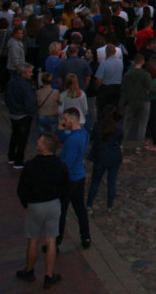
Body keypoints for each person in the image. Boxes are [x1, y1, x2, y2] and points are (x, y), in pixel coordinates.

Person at [16, 133, 69, 289]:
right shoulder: (60, 165)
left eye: (40, 140)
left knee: (33, 239)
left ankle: (30, 270)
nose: (37, 141)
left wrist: (25, 203)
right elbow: (65, 188)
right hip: (53, 204)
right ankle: (49, 275)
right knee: (51, 240)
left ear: (44, 146)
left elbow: (21, 189)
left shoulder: (31, 165)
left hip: (35, 205)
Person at [56, 107, 91, 251]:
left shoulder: (73, 140)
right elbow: (65, 137)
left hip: (69, 179)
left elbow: (66, 163)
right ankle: (86, 237)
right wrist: (60, 130)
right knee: (80, 209)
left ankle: (56, 242)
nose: (63, 122)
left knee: (61, 212)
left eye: (65, 119)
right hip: (79, 176)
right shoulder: (83, 134)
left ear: (72, 119)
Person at [86, 104, 123, 212]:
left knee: (95, 182)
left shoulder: (98, 126)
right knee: (111, 182)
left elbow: (93, 139)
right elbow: (119, 141)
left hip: (100, 157)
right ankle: (110, 205)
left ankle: (89, 204)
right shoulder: (118, 128)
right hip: (114, 157)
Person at [5, 64, 36, 169]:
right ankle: (19, 160)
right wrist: (31, 112)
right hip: (23, 114)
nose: (31, 74)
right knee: (22, 138)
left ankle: (11, 156)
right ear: (23, 73)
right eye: (30, 72)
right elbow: (29, 102)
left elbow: (7, 98)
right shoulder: (26, 86)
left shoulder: (11, 82)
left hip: (13, 113)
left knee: (14, 135)